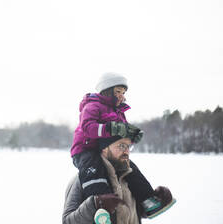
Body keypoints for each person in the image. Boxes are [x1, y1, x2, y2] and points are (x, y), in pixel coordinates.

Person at [70, 72, 174, 219]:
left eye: (123, 92)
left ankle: (148, 201)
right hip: (85, 149)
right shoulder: (92, 106)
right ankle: (101, 208)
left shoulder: (118, 111)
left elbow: (120, 135)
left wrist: (131, 135)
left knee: (130, 168)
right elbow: (88, 127)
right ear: (106, 91)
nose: (121, 95)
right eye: (117, 91)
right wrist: (111, 128)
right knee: (94, 170)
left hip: (107, 150)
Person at [63, 136, 175, 224]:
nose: (126, 151)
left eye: (128, 146)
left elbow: (133, 214)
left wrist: (160, 200)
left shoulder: (129, 178)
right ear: (105, 149)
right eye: (121, 146)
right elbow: (68, 221)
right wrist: (94, 204)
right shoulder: (83, 179)